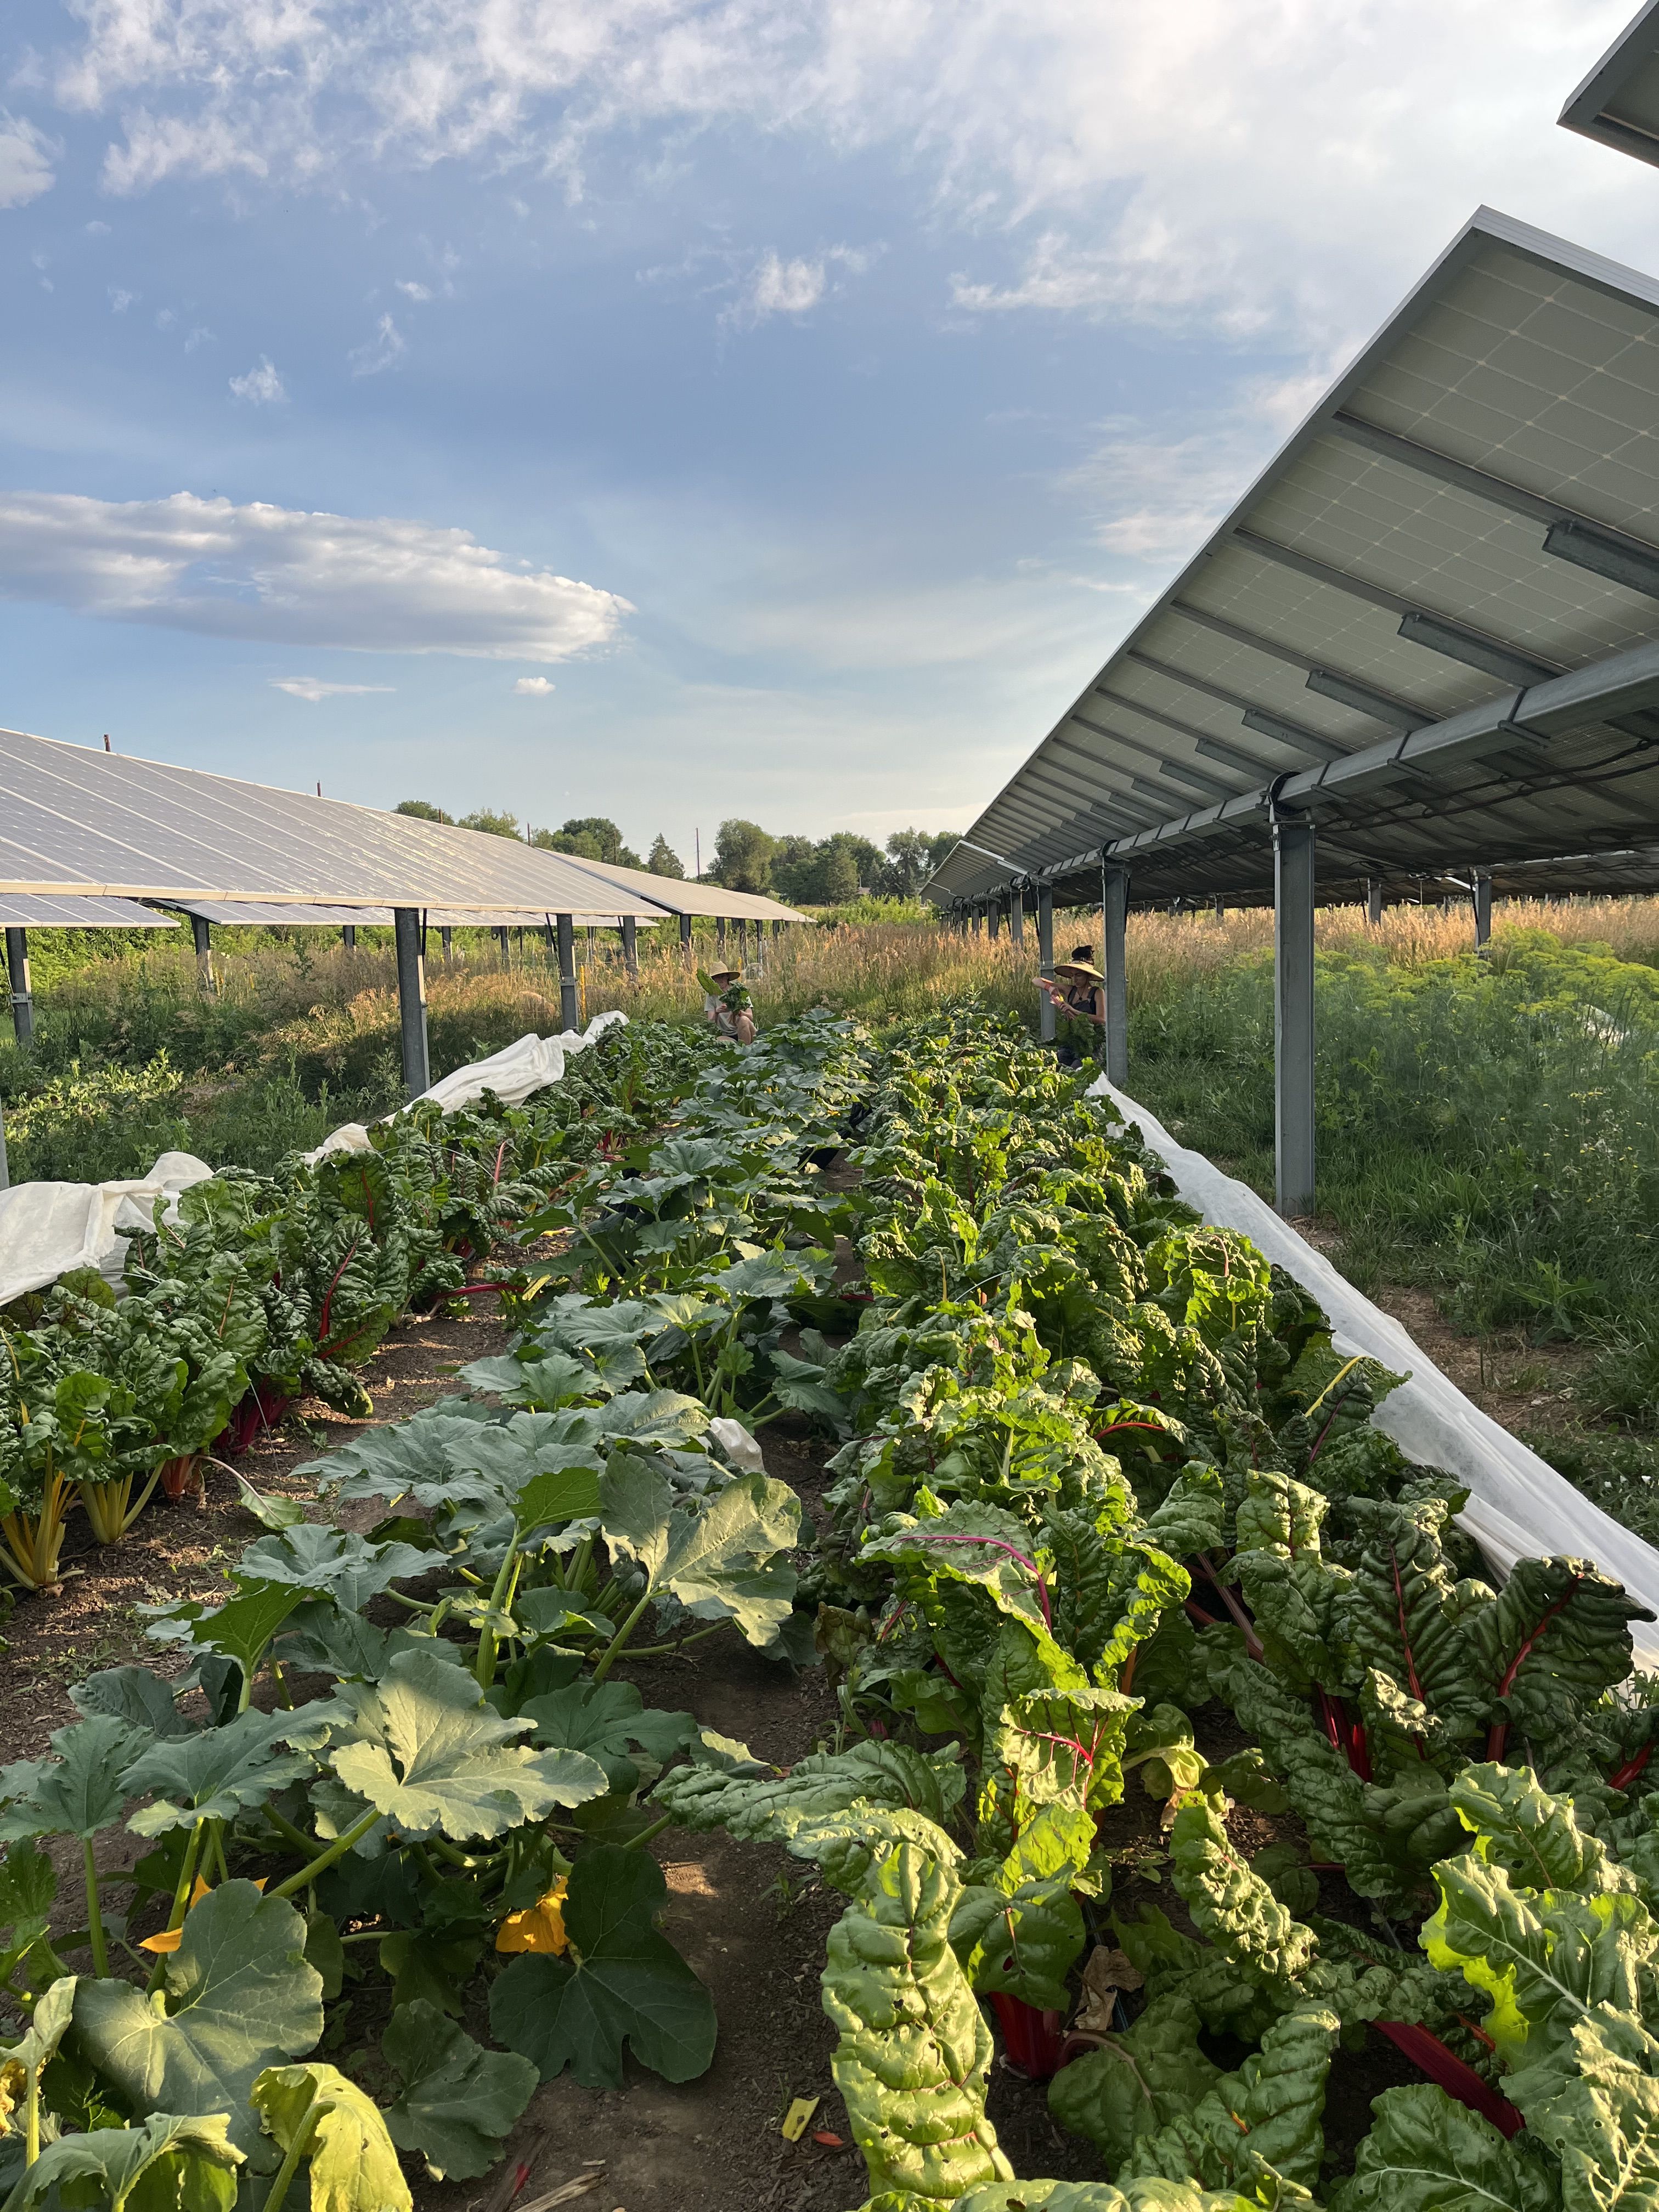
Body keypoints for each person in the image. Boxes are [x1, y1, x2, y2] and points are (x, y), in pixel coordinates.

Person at [1037, 945, 1107, 1068]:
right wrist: (1051, 989)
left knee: (1077, 1068)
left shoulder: (1097, 993)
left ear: (1088, 976)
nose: (1074, 979)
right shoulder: (1070, 990)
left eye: (1079, 976)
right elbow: (1037, 981)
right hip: (1070, 1042)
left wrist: (1074, 1011)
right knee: (1058, 1067)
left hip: (1089, 1043)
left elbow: (1101, 1019)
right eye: (1072, 975)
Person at [701, 966, 757, 1046]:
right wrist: (717, 1012)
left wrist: (737, 1011)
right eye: (717, 977)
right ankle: (739, 1049)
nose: (721, 980)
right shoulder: (711, 996)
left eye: (723, 976)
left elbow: (750, 1017)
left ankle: (746, 1052)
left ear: (727, 977)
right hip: (728, 1035)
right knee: (716, 1042)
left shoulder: (739, 990)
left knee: (744, 1020)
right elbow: (711, 1020)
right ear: (713, 980)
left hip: (747, 1030)